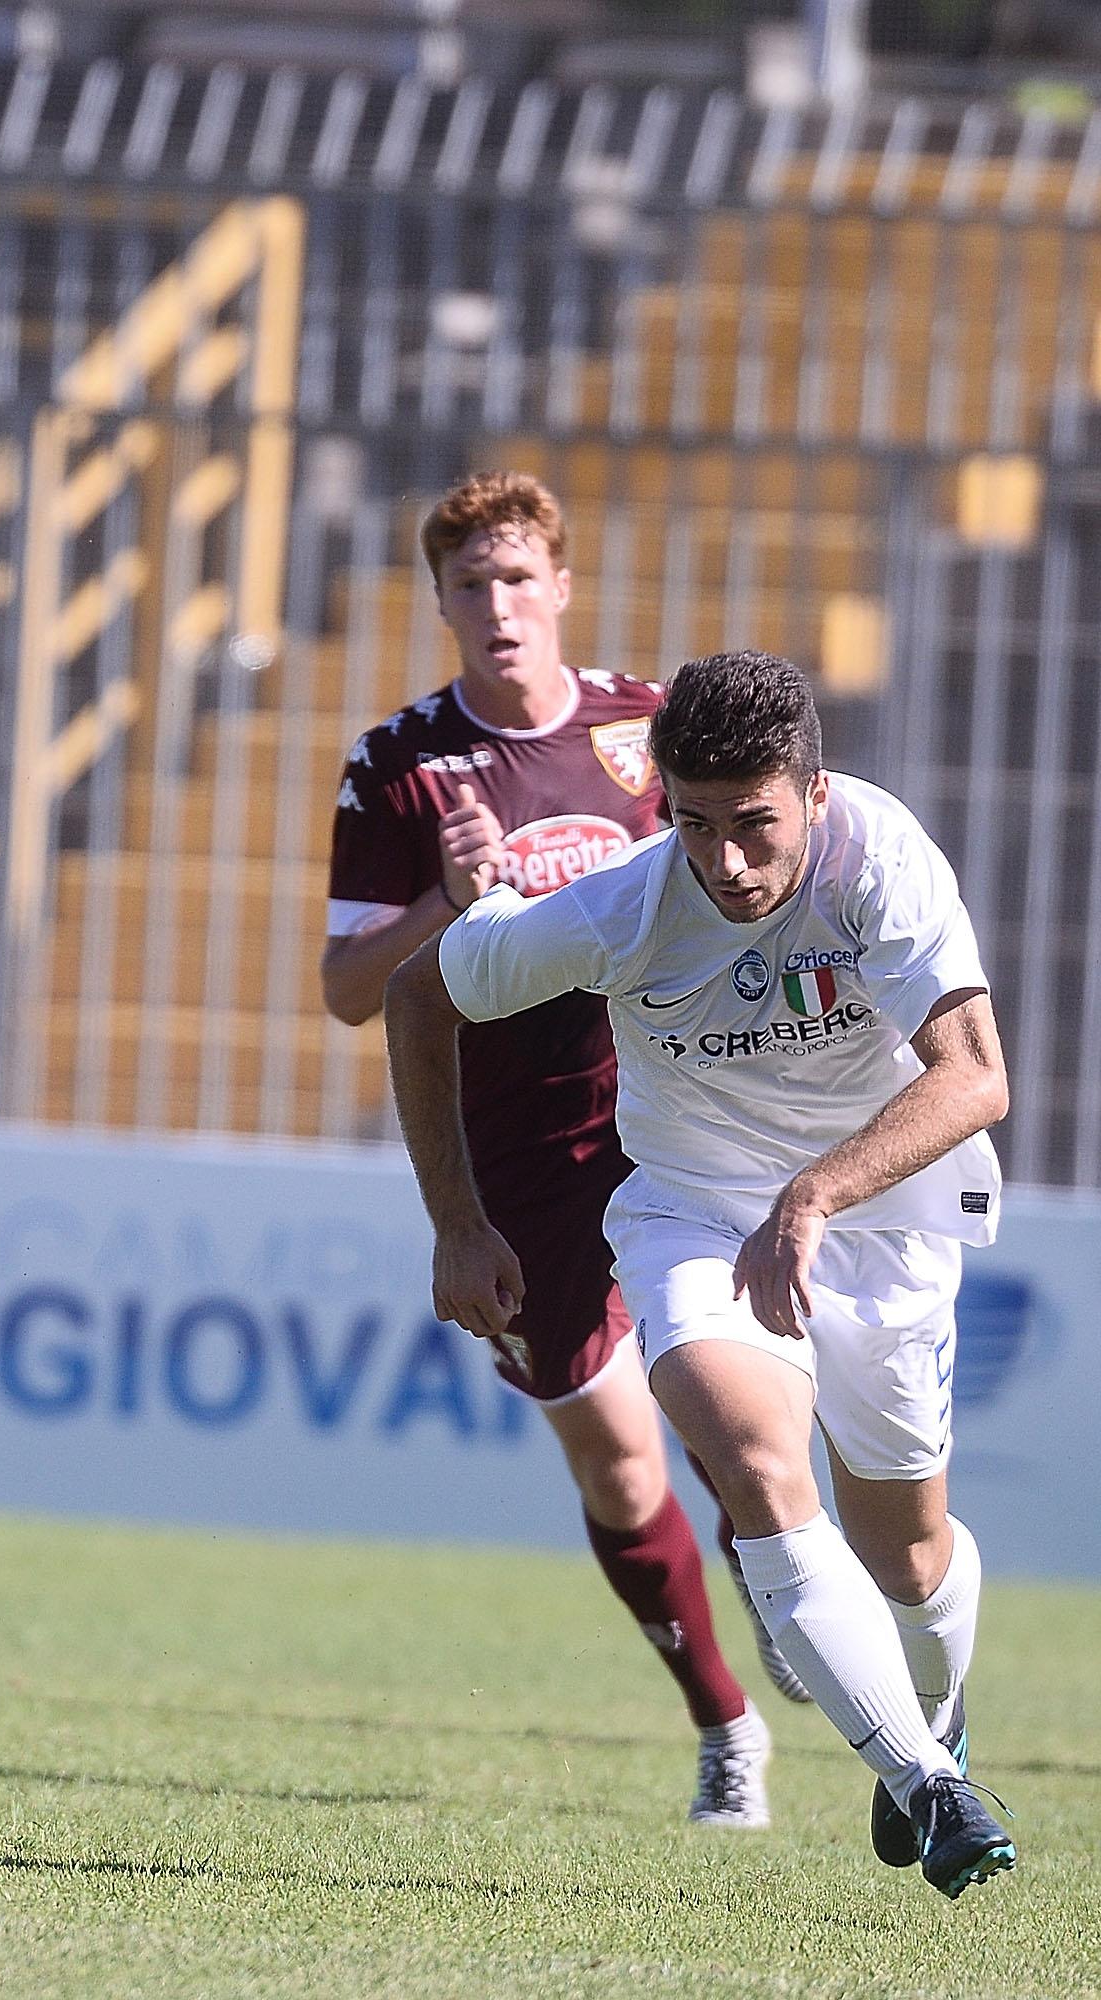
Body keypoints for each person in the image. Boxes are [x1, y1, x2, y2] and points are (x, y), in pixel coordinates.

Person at [385, 649, 1017, 1899]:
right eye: (692, 822)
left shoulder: (880, 859)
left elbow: (977, 1073)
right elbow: (417, 997)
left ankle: (937, 1720)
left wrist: (819, 1191)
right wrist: (457, 1218)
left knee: (911, 1555)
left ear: (815, 794)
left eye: (752, 825)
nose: (724, 861)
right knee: (761, 1467)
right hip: (696, 1212)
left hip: (876, 1218)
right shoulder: (624, 905)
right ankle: (928, 1788)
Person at [324, 473, 783, 1826]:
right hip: (517, 1152)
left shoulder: (652, 731)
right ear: (444, 604)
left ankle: (779, 1565)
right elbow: (354, 992)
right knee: (623, 1463)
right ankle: (727, 1722)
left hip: (680, 1108)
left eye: (521, 578)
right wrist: (445, 901)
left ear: (563, 587)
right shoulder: (401, 767)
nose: (499, 607)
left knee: (731, 1414)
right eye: (472, 584)